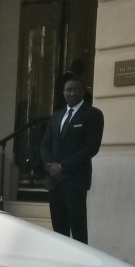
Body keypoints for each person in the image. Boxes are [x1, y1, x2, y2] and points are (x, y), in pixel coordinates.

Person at [39, 74, 103, 244]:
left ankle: (81, 264)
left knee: (78, 228)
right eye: (68, 90)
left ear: (83, 92)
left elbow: (91, 147)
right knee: (58, 229)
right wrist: (51, 168)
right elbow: (45, 145)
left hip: (75, 181)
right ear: (63, 92)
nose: (72, 93)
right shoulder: (56, 116)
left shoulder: (93, 114)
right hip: (54, 181)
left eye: (76, 89)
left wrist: (63, 167)